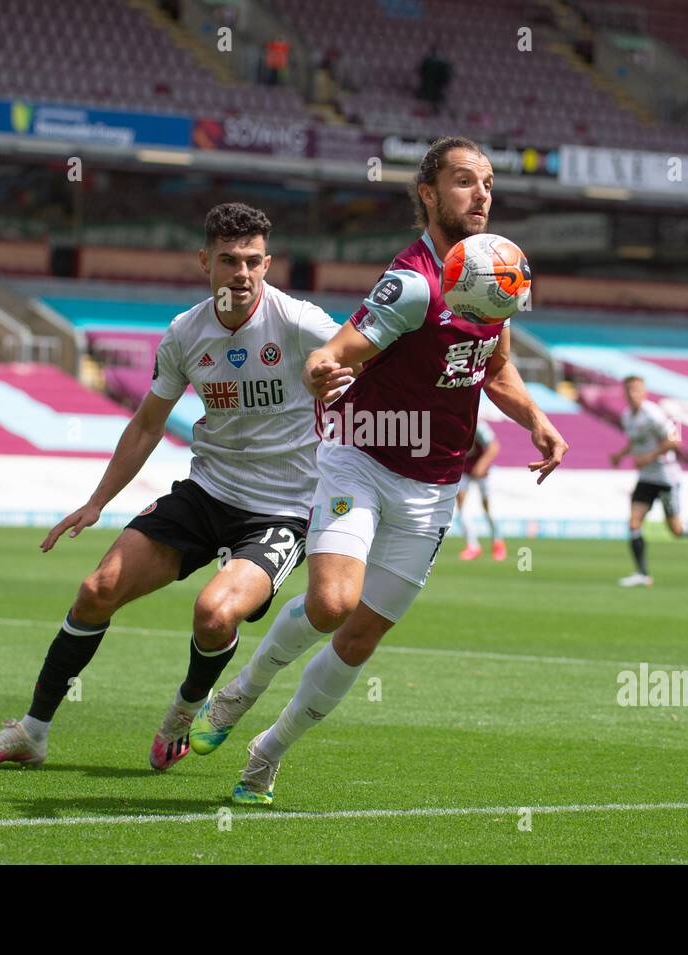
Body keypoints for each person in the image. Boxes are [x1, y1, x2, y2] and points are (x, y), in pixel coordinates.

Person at [189, 136, 568, 804]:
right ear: (427, 193)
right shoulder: (414, 282)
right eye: (462, 181)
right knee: (333, 602)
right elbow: (336, 351)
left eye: (486, 182)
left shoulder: (497, 268)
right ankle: (238, 692)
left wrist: (534, 417)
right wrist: (320, 368)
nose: (480, 193)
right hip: (360, 457)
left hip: (434, 487)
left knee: (360, 639)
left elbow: (496, 364)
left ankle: (266, 753)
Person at [0, 203, 339, 771]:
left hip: (281, 511)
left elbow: (364, 363)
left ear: (268, 263)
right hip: (206, 493)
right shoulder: (186, 334)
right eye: (230, 260)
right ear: (204, 261)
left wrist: (340, 375)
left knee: (214, 614)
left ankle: (186, 708)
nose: (242, 273)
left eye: (254, 261)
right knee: (96, 590)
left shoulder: (300, 323)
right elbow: (145, 425)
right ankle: (32, 732)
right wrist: (96, 503)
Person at [610, 375, 688, 586]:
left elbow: (674, 440)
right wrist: (620, 454)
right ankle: (642, 574)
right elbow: (636, 440)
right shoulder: (628, 416)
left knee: (676, 530)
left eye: (636, 390)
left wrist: (648, 457)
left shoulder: (653, 414)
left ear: (644, 393)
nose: (632, 394)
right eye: (628, 390)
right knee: (634, 522)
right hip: (646, 477)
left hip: (665, 476)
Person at [456, 419, 504, 560]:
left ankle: (497, 542)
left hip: (482, 470)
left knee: (487, 507)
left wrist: (482, 464)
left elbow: (494, 446)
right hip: (464, 469)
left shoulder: (478, 425)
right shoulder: (452, 422)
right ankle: (473, 546)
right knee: (461, 506)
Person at [417, 45, 453, 114]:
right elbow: (447, 74)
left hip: (431, 83)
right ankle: (434, 109)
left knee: (431, 97)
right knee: (435, 97)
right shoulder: (442, 62)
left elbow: (421, 71)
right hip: (436, 83)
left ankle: (432, 109)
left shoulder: (428, 60)